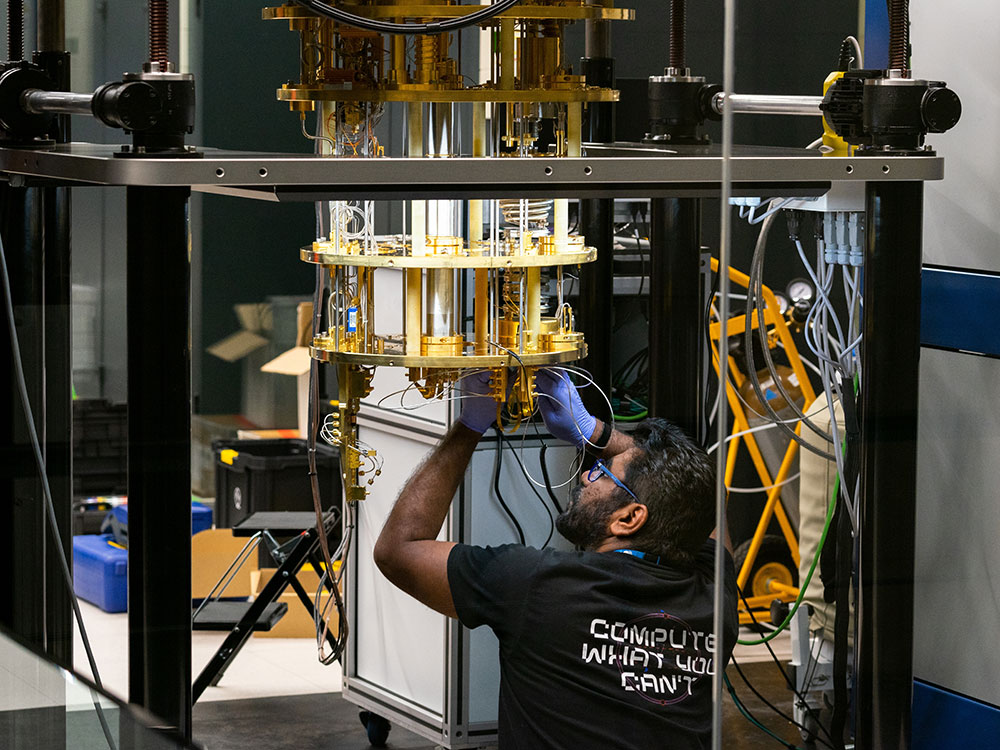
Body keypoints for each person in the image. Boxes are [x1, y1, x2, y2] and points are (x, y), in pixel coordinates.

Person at [373, 368, 738, 749]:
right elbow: (708, 496)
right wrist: (596, 434)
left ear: (629, 518)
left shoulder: (538, 585)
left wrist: (469, 424)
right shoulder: (714, 603)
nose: (586, 478)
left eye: (602, 474)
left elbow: (398, 551)